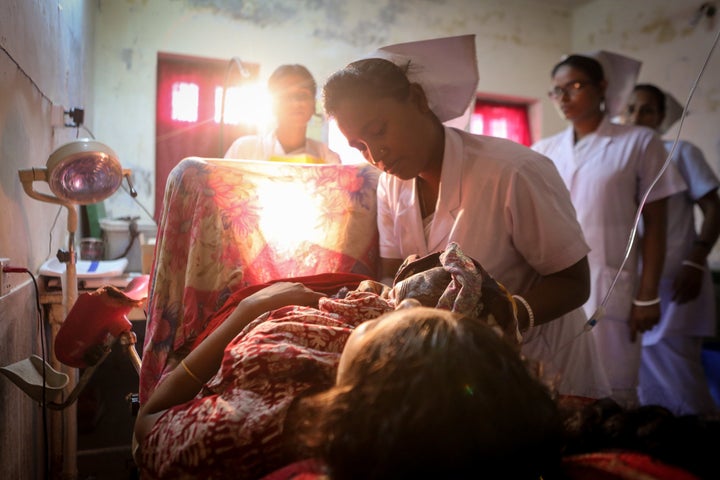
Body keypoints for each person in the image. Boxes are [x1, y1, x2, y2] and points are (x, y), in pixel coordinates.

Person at [321, 49, 611, 400]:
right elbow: (395, 273)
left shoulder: (514, 171)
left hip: (542, 363)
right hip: (460, 371)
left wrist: (509, 314)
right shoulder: (391, 183)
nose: (376, 154)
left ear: (417, 99)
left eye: (379, 130)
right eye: (360, 147)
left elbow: (574, 282)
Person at [132, 242, 559, 478]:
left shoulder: (251, 432)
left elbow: (148, 423)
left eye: (397, 323)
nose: (371, 298)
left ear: (376, 390)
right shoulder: (426, 428)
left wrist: (250, 310)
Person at [531, 54, 687, 408]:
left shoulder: (640, 142)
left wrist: (648, 295)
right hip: (554, 288)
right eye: (556, 92)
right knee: (555, 390)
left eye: (574, 87)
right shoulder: (543, 150)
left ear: (601, 87)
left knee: (612, 394)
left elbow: (656, 223)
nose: (564, 99)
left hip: (611, 285)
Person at [622, 83, 720, 415]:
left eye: (647, 109)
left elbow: (714, 208)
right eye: (631, 109)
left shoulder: (680, 152)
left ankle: (698, 452)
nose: (637, 116)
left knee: (680, 380)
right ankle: (654, 453)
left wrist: (696, 259)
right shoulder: (622, 158)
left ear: (662, 116)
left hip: (678, 282)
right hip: (633, 285)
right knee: (639, 384)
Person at [224, 64, 341, 164]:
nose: (295, 103)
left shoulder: (327, 158)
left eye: (302, 95)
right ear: (273, 105)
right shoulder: (244, 150)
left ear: (313, 105)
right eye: (285, 96)